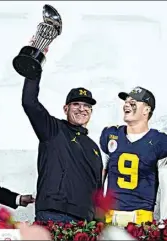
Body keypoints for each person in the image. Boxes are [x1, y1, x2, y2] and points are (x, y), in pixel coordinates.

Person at [21, 48, 103, 223]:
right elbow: (29, 102)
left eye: (87, 106)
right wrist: (35, 63)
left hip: (85, 221)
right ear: (65, 108)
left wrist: (99, 225)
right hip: (53, 214)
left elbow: (98, 192)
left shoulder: (94, 147)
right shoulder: (53, 129)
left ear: (91, 112)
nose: (82, 109)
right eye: (76, 104)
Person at [100, 87, 167, 226]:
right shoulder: (111, 135)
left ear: (146, 110)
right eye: (126, 101)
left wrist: (164, 221)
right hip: (110, 217)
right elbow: (100, 176)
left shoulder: (160, 142)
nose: (126, 104)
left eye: (133, 102)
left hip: (140, 219)